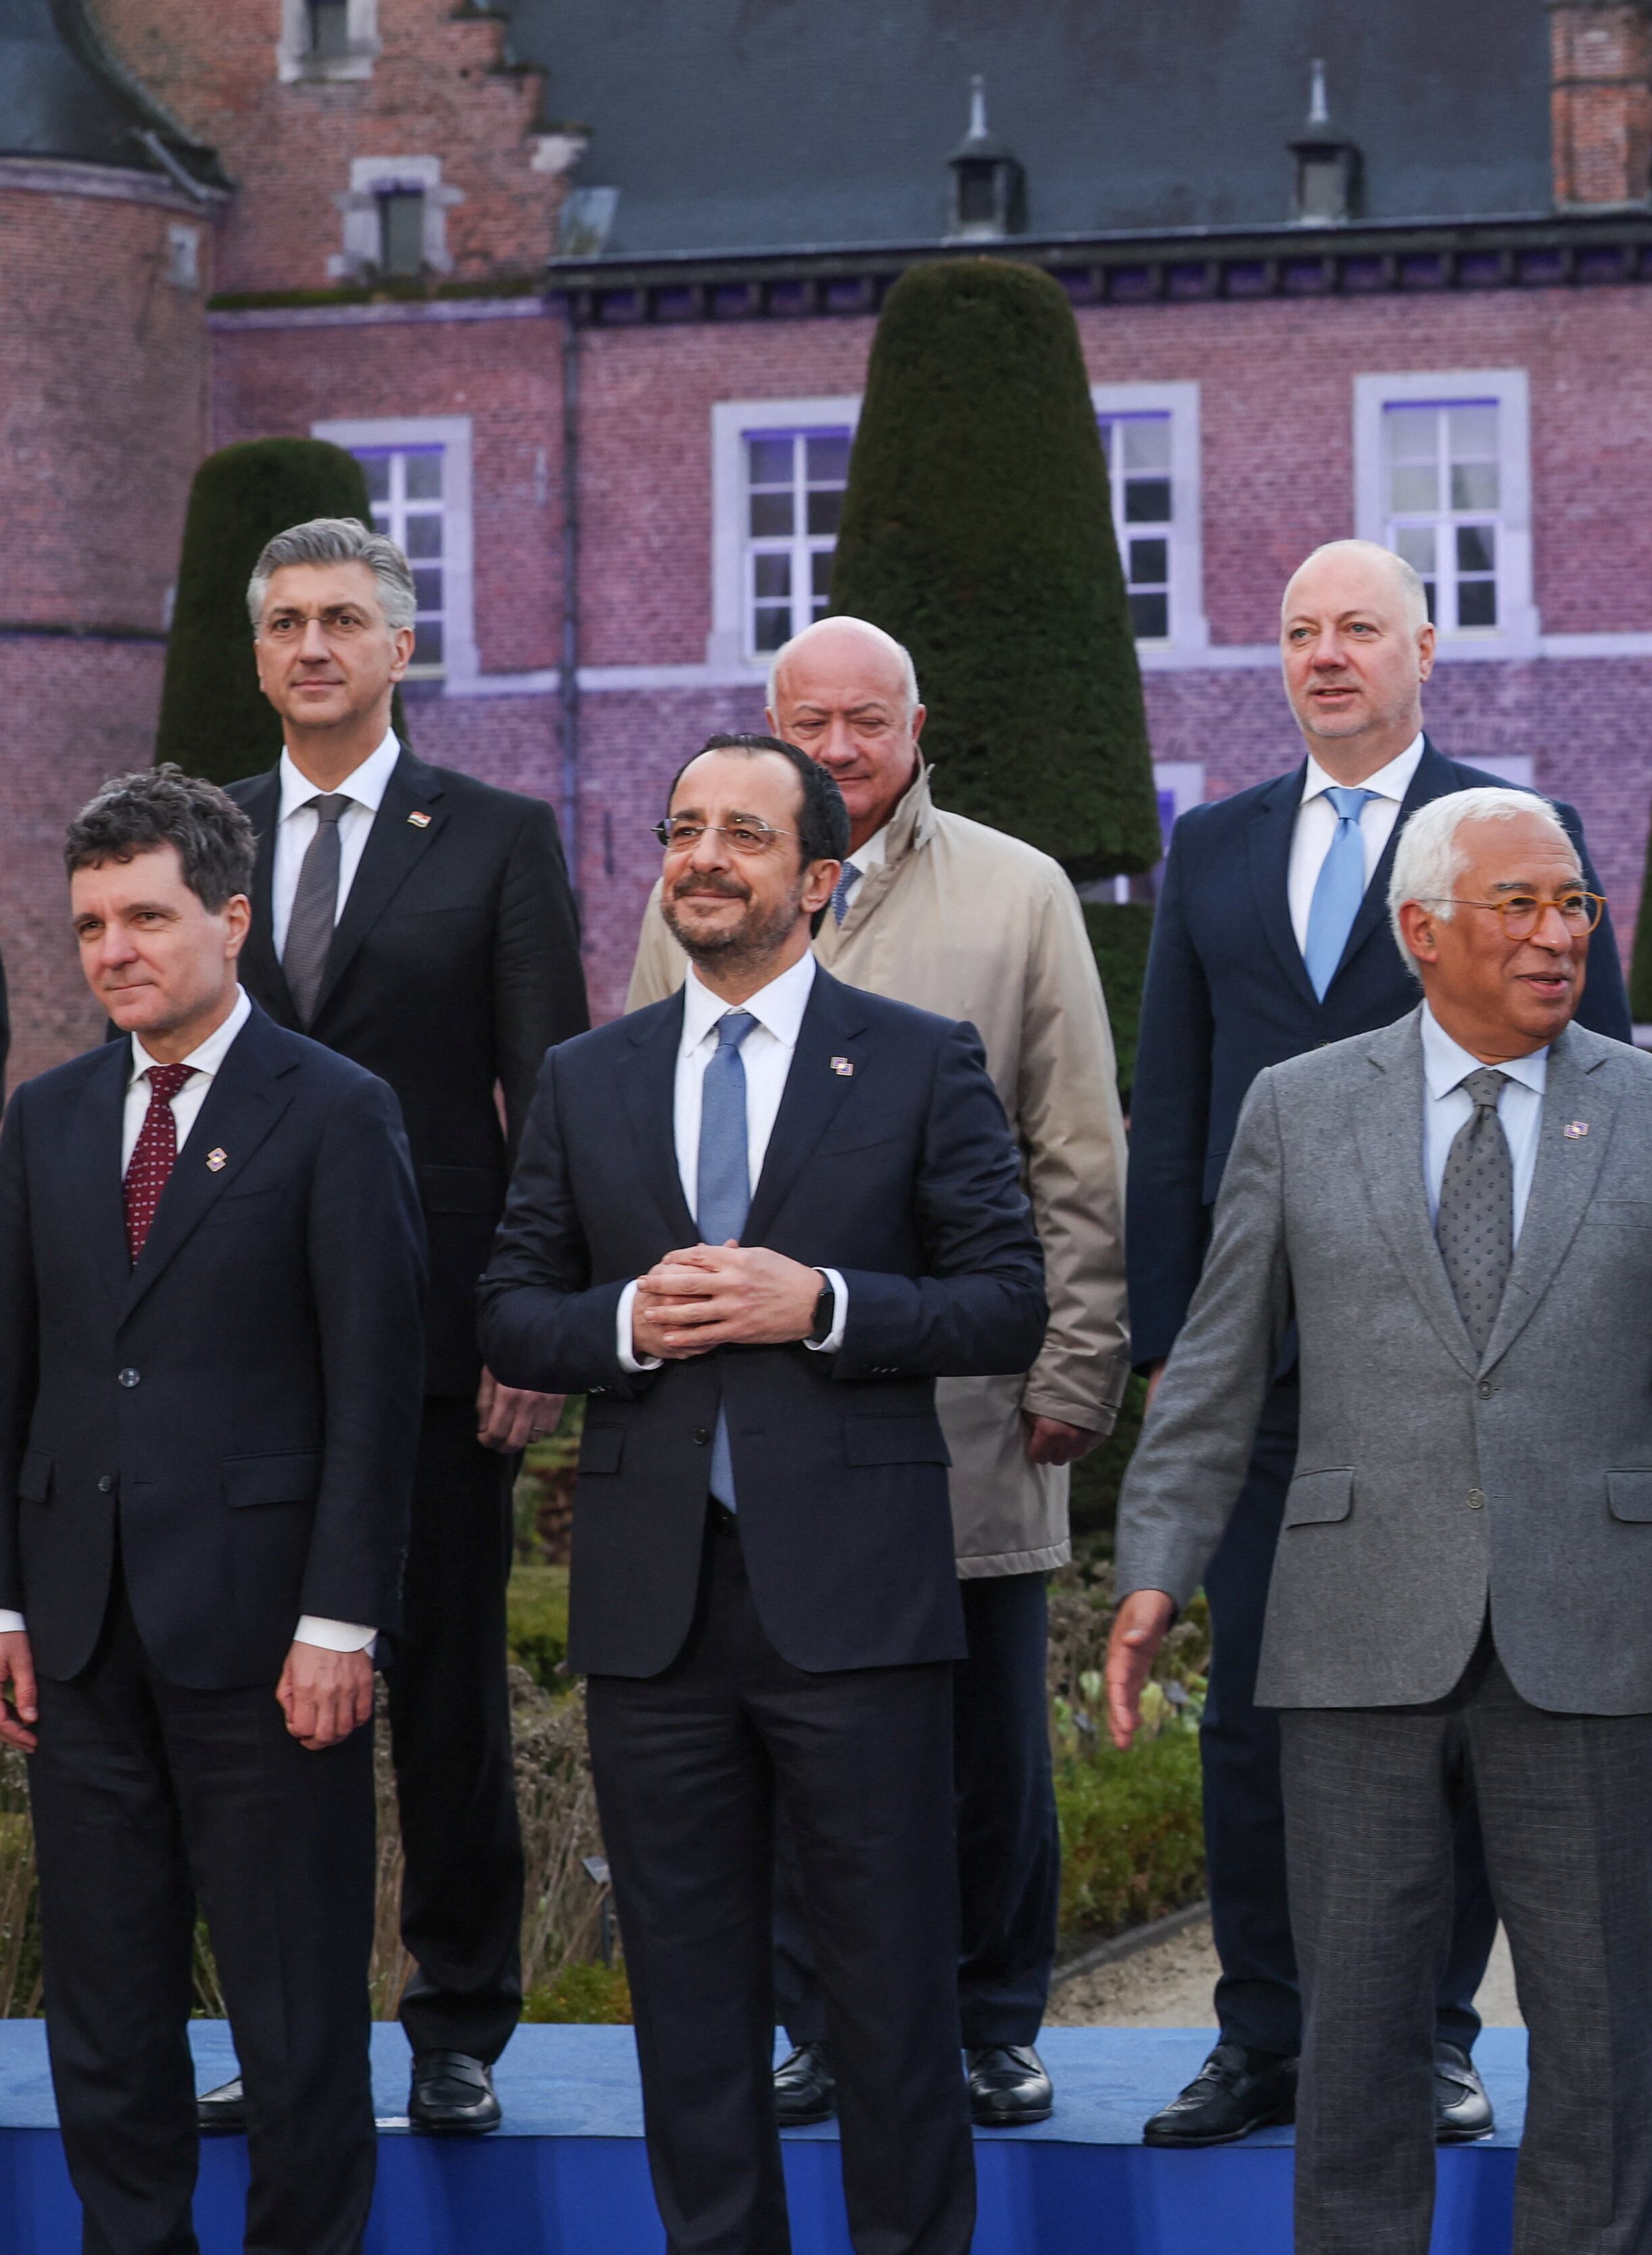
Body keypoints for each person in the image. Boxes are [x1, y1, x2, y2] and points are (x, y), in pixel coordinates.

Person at [1104, 787, 1652, 2255]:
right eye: (1519, 903)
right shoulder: (1298, 1106)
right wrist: (1154, 1566)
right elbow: (1219, 1359)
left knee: (1591, 2027)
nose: (1558, 933)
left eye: (1573, 903)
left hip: (1587, 1615)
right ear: (1420, 929)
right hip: (1353, 1615)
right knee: (1362, 2023)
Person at [479, 735, 1047, 2255]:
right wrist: (618, 1327)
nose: (703, 855)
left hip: (858, 1603)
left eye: (742, 832)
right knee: (687, 2000)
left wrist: (829, 1305)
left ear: (818, 876)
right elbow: (509, 1304)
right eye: (681, 829)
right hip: (656, 1612)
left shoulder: (919, 1055)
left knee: (889, 1997)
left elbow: (1005, 1301)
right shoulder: (585, 1075)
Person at [1123, 540, 1632, 2147]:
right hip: (1275, 1364)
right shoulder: (1213, 846)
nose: (1325, 654)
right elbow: (1175, 1106)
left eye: (1358, 628)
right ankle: (1264, 2028)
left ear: (1426, 646)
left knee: (1467, 1708)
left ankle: (1428, 2031)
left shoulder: (1515, 835)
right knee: (1257, 1713)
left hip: (1472, 1353)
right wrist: (1167, 1343)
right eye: (1298, 631)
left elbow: (1597, 1087)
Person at [625, 615, 1128, 2131]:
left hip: (956, 1398)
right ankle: (815, 2024)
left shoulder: (1018, 889)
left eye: (865, 720)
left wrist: (1080, 1354)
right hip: (746, 1408)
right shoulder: (703, 882)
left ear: (920, 727)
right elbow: (642, 1110)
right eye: (808, 720)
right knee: (776, 1726)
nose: (838, 745)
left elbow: (1078, 1144)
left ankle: (988, 2014)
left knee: (980, 1735)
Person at [189, 516, 588, 2140]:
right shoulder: (198, 832)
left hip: (436, 1346)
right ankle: (288, 2032)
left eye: (343, 619)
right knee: (248, 1711)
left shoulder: (491, 836)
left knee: (440, 1702)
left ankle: (457, 2019)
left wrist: (528, 1325)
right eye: (284, 621)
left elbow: (552, 1095)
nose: (311, 647)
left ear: (401, 646)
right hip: (233, 1349)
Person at [0, 766, 423, 2255]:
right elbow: (18, 1372)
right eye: (90, 923)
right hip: (82, 1639)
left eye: (146, 916)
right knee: (104, 2015)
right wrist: (7, 1600)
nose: (113, 948)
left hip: (270, 1647)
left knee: (297, 2010)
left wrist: (339, 1619)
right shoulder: (44, 1122)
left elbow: (377, 1392)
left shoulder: (336, 1111)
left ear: (231, 920)